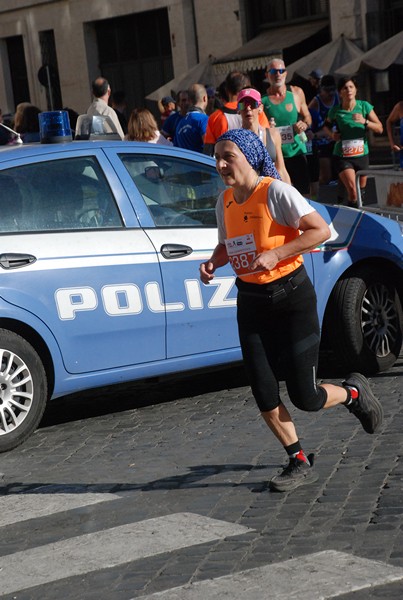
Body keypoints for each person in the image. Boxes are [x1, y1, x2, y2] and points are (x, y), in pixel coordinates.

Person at [199, 128, 383, 493]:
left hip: (291, 299)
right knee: (263, 389)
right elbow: (228, 245)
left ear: (249, 157)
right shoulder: (226, 201)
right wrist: (213, 262)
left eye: (227, 157)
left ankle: (354, 394)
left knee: (306, 396)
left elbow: (321, 230)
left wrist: (278, 253)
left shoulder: (276, 192)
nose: (220, 164)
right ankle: (297, 459)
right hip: (251, 302)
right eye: (217, 157)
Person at [325, 77, 383, 207]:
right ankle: (352, 219)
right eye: (345, 88)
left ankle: (349, 207)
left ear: (356, 90)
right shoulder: (335, 111)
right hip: (342, 156)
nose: (348, 90)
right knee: (353, 191)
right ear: (340, 92)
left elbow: (379, 128)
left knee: (359, 193)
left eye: (351, 87)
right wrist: (332, 135)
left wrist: (365, 122)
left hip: (362, 155)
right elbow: (325, 126)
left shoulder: (364, 107)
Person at [261, 58, 311, 195]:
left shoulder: (296, 93)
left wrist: (304, 124)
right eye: (273, 71)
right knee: (281, 195)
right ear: (267, 75)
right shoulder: (262, 100)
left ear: (286, 73)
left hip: (296, 151)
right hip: (275, 156)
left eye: (281, 71)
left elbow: (308, 117)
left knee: (304, 195)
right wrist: (267, 127)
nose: (277, 74)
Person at [204, 71, 270, 155]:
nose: (248, 109)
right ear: (247, 87)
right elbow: (267, 143)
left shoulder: (215, 117)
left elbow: (208, 152)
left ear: (226, 90)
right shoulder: (256, 112)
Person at [237, 87, 291, 184]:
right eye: (243, 105)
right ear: (238, 110)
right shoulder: (235, 139)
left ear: (260, 108)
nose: (248, 108)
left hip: (272, 190)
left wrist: (289, 193)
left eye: (253, 104)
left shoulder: (273, 134)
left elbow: (281, 170)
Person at [308, 75, 339, 187]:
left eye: (332, 90)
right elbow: (307, 119)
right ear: (321, 89)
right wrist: (316, 134)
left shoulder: (337, 97)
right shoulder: (316, 101)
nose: (330, 93)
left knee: (341, 174)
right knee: (326, 176)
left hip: (336, 139)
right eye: (327, 90)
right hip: (321, 141)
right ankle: (315, 193)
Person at [175, 83, 208, 153]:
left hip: (184, 163)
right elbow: (209, 148)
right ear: (205, 98)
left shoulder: (180, 124)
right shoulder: (204, 120)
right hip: (202, 162)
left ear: (189, 101)